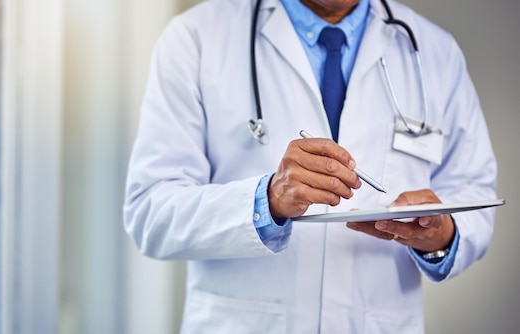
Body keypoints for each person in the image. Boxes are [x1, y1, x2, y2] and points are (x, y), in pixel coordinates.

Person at [123, 0, 498, 332]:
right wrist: (265, 201)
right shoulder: (196, 38)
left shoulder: (435, 50)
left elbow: (475, 195)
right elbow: (150, 213)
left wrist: (442, 235)